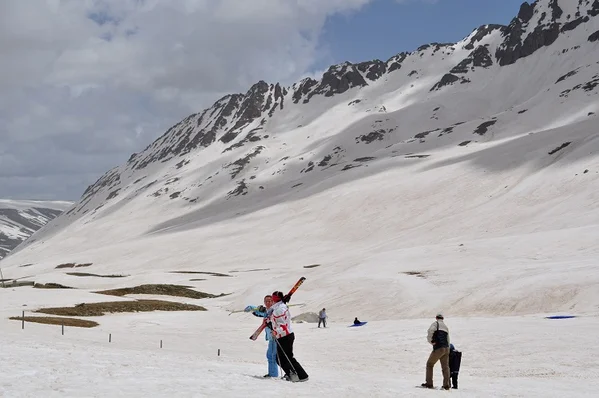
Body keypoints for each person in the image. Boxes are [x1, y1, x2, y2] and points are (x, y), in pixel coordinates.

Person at [266, 290, 309, 382]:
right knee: (288, 357)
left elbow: (283, 326)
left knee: (281, 358)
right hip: (286, 335)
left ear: (274, 300)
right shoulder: (280, 306)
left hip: (284, 336)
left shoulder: (279, 309)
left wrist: (275, 331)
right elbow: (273, 314)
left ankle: (292, 375)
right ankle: (302, 375)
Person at [244, 295, 278, 378]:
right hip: (271, 337)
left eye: (270, 301)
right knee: (270, 355)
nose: (268, 303)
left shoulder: (275, 310)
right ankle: (272, 373)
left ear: (273, 301)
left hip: (276, 336)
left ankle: (273, 374)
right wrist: (252, 308)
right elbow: (260, 312)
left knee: (272, 355)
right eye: (266, 301)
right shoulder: (267, 310)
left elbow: (269, 313)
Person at [421, 313, 451, 390]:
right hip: (446, 348)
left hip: (439, 348)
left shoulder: (435, 324)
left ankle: (429, 383)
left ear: (436, 318)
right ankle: (446, 385)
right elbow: (448, 339)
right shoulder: (446, 327)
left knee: (430, 364)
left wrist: (431, 341)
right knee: (445, 367)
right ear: (442, 318)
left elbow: (430, 331)